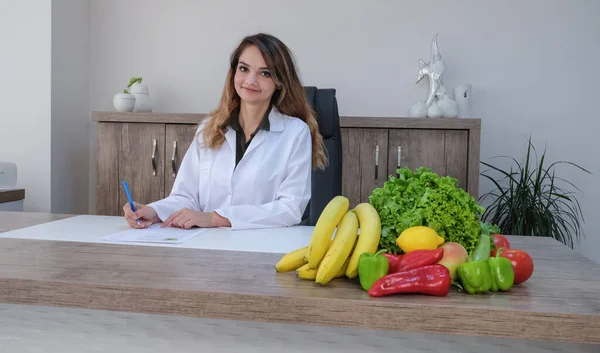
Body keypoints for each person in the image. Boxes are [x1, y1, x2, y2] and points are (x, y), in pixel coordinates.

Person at [123, 33, 327, 230]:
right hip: (206, 244)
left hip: (263, 246)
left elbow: (289, 209)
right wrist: (154, 211)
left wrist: (215, 218)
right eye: (244, 69)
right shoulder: (209, 128)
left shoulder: (294, 133)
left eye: (265, 73)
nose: (251, 80)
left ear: (280, 82)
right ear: (234, 73)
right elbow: (186, 197)